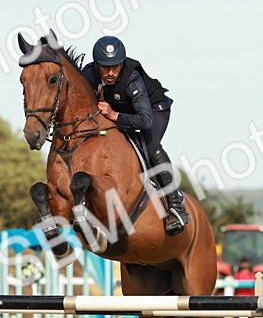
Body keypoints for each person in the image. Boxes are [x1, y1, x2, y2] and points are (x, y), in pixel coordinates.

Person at [80, 36, 189, 236]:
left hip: (153, 111)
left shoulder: (132, 79)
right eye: (105, 67)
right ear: (97, 65)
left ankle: (177, 205)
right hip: (122, 111)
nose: (111, 72)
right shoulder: (88, 74)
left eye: (116, 66)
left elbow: (145, 121)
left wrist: (113, 115)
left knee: (151, 147)